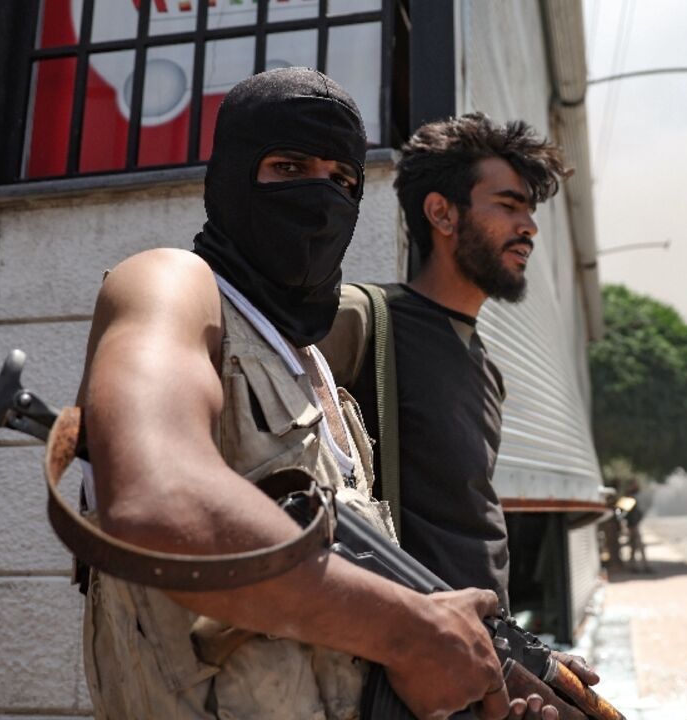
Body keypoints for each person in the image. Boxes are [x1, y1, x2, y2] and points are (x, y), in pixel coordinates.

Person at [74, 68, 557, 720]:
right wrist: (412, 628)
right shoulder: (171, 285)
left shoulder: (318, 371)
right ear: (232, 175)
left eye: (343, 181)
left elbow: (332, 604)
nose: (321, 198)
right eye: (288, 166)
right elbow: (160, 500)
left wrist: (481, 669)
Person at [320, 111, 597, 684]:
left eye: (530, 210)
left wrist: (526, 655)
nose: (529, 227)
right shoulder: (360, 322)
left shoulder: (486, 368)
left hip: (477, 667)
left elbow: (465, 534)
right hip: (395, 673)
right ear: (442, 212)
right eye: (508, 204)